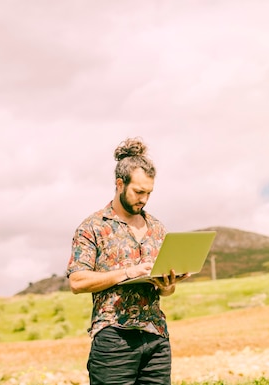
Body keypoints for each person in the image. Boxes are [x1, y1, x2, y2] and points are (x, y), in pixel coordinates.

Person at [66, 137, 188, 385]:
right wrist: (128, 273)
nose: (143, 199)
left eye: (149, 193)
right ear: (119, 184)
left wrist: (168, 284)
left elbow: (166, 292)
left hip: (156, 338)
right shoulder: (93, 227)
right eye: (138, 192)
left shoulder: (157, 228)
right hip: (114, 340)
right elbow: (77, 282)